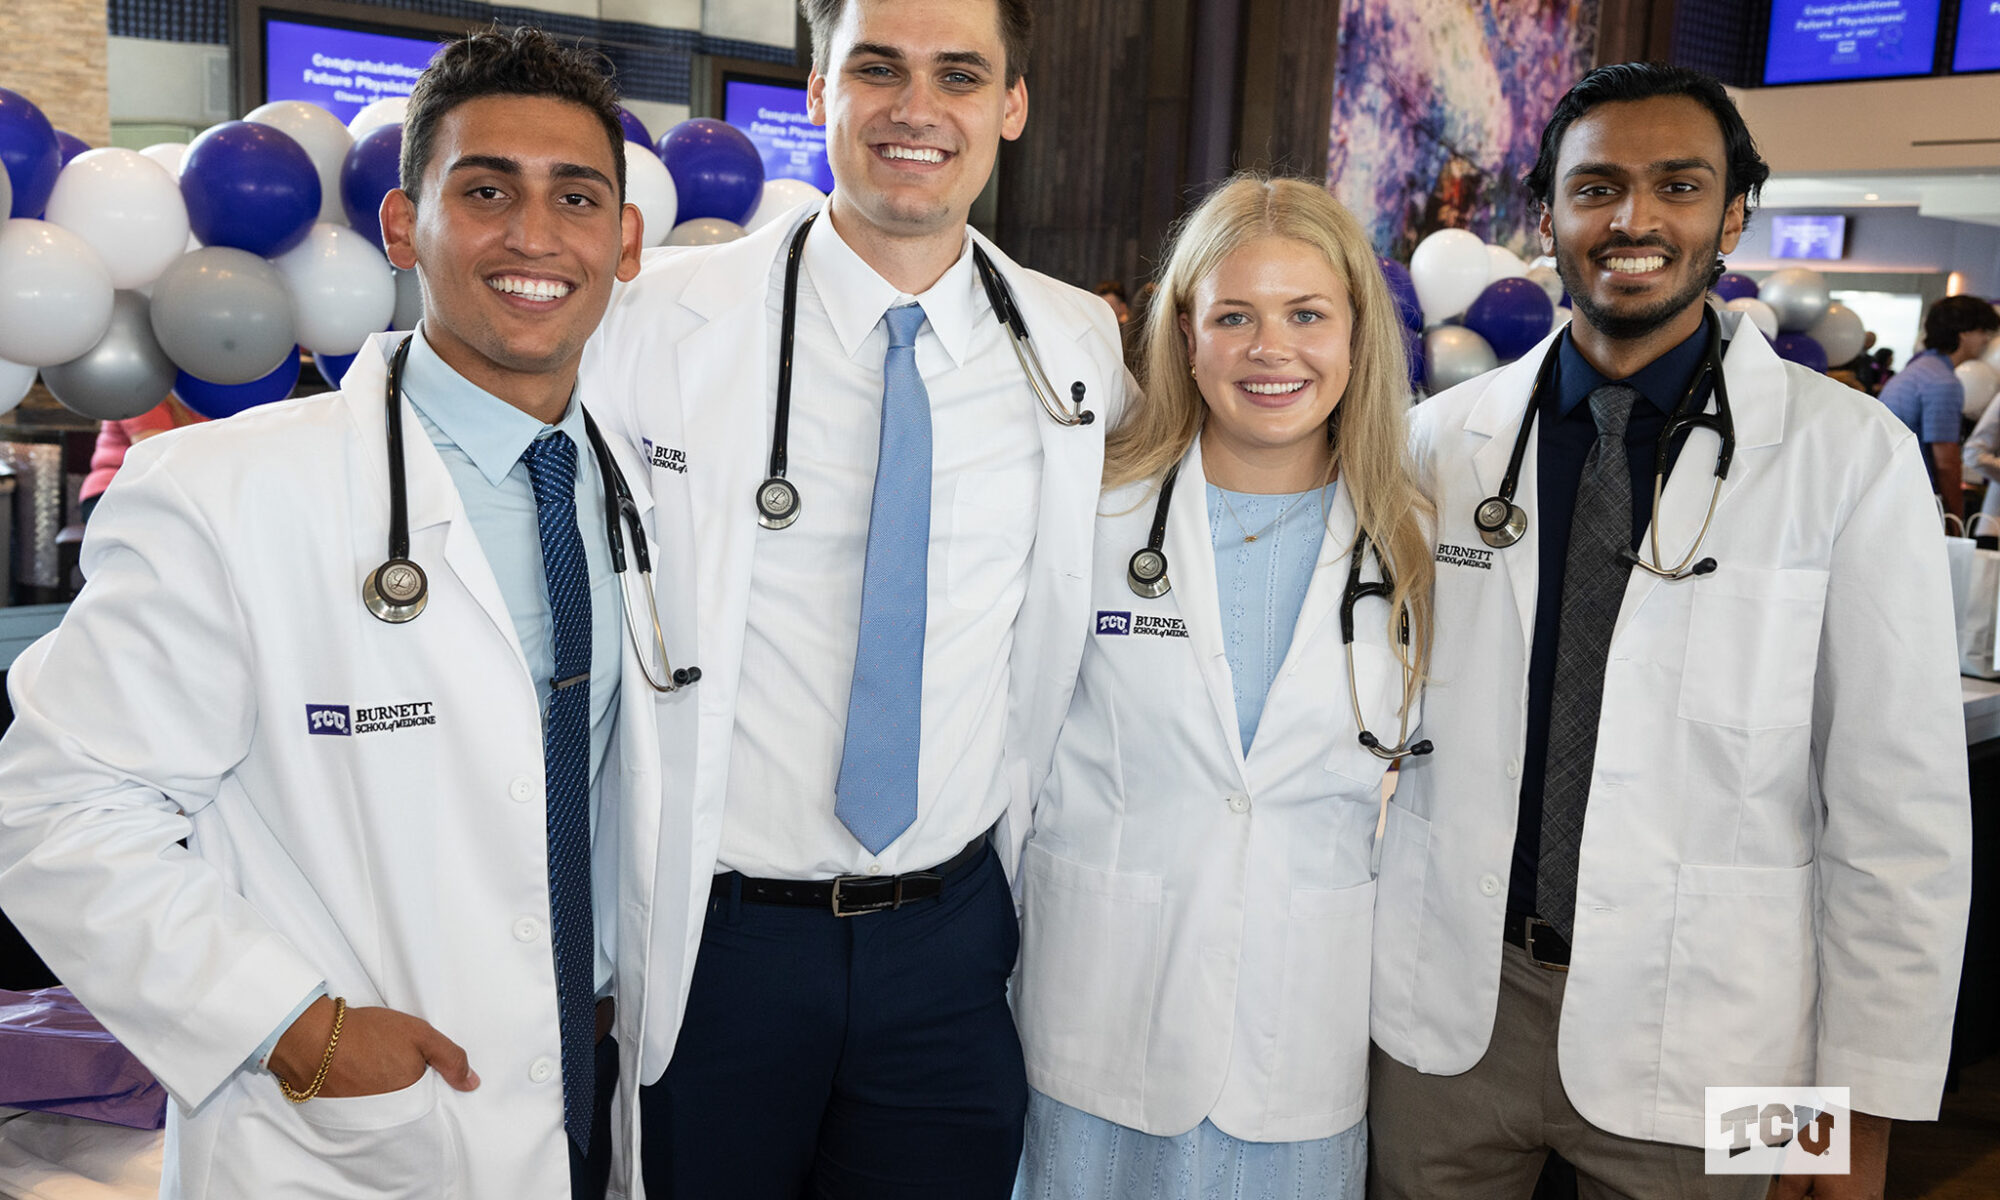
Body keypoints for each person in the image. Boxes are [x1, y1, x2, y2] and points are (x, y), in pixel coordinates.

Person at [0, 28, 663, 1200]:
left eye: (574, 195)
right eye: (485, 189)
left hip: (594, 1086)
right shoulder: (225, 493)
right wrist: (296, 1029)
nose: (532, 233)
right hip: (354, 1129)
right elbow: (56, 809)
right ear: (405, 226)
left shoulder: (655, 500)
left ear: (624, 241)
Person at [1370, 62, 1970, 1200]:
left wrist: (1851, 1125)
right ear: (1544, 214)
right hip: (1444, 1024)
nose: (1632, 219)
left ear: (1732, 213)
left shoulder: (1848, 457)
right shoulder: (1436, 444)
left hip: (1725, 1041)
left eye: (1676, 185)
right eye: (1593, 187)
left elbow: (1899, 816)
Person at [577, 0, 1130, 1195]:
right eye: (875, 68)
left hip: (950, 944)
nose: (916, 109)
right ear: (816, 90)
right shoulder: (655, 321)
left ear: (1013, 106)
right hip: (721, 941)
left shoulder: (1075, 346)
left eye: (960, 75)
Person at [1011, 176, 1431, 1199]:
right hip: (1096, 1012)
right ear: (1183, 333)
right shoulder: (1087, 510)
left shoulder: (1418, 539)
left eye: (1304, 315)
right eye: (1232, 314)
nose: (1268, 348)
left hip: (1296, 1034)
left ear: (1356, 335)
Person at [1878, 294, 1999, 519]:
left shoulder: (1918, 370)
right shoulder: (1943, 381)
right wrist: (1955, 518)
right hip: (1910, 498)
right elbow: (1946, 462)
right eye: (1983, 332)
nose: (1986, 341)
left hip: (1889, 491)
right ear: (1964, 333)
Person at [76, 395, 206, 523]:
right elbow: (157, 459)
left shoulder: (207, 400)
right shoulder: (141, 394)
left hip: (174, 495)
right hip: (113, 492)